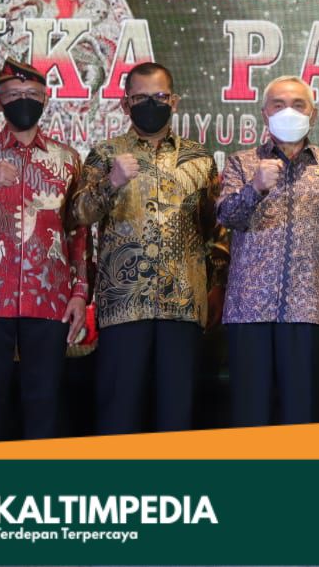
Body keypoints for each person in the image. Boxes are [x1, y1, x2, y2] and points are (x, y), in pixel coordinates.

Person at [71, 62, 220, 434]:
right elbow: (79, 214)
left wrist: (214, 288)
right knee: (118, 415)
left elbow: (213, 229)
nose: (151, 105)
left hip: (183, 306)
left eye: (159, 97)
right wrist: (111, 182)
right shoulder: (106, 154)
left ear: (174, 101)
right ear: (125, 104)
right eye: (140, 98)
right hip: (124, 305)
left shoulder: (199, 159)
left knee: (176, 417)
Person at [0, 59, 88, 442]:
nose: (23, 101)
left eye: (32, 94)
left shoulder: (67, 159)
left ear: (45, 99)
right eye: (13, 94)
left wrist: (79, 292)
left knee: (44, 404)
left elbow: (78, 231)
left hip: (49, 296)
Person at [216, 76, 319, 426]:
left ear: (313, 113)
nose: (288, 112)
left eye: (298, 105)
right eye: (278, 105)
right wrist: (255, 187)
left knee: (303, 413)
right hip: (249, 309)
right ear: (264, 113)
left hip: (309, 307)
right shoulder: (241, 163)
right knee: (250, 415)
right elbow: (225, 217)